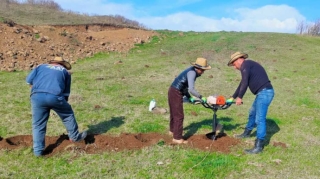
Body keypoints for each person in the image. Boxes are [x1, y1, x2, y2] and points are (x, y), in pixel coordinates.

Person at [26, 57, 87, 156]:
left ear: (52, 62)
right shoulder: (65, 72)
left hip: (37, 96)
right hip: (55, 96)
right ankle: (75, 138)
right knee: (67, 115)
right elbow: (66, 93)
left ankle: (38, 152)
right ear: (62, 64)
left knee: (38, 125)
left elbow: (29, 81)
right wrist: (63, 105)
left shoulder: (40, 67)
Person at [226, 52, 274, 154]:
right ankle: (247, 133)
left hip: (265, 92)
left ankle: (258, 146)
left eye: (234, 64)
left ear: (239, 59)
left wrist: (240, 97)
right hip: (262, 93)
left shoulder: (246, 64)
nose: (235, 67)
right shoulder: (247, 66)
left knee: (259, 119)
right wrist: (232, 97)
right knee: (252, 112)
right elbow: (242, 83)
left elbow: (244, 83)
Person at [168, 57, 212, 144]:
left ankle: (172, 131)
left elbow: (184, 86)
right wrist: (201, 97)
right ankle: (177, 138)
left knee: (174, 113)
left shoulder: (190, 70)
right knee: (179, 116)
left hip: (173, 90)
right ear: (199, 68)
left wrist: (189, 97)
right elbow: (191, 89)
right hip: (176, 92)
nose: (203, 73)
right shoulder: (192, 73)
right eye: (203, 70)